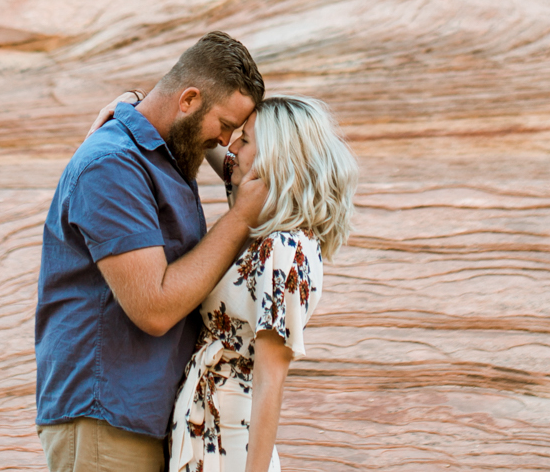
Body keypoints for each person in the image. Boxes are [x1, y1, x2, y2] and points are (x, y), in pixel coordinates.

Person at [36, 31, 268, 472]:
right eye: (224, 125)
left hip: (144, 417)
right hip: (105, 417)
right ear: (189, 100)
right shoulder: (112, 165)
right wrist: (239, 220)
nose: (223, 142)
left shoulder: (166, 156)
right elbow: (155, 308)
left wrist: (133, 100)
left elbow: (247, 169)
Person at [167, 95, 356, 472]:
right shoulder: (258, 222)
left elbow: (272, 378)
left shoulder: (286, 250)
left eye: (245, 139)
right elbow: (218, 149)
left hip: (233, 440)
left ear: (274, 159)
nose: (231, 146)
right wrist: (139, 103)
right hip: (204, 423)